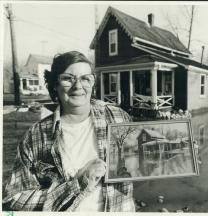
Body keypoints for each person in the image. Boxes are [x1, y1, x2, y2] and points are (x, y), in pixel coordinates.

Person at [3, 51, 135, 212]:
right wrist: (78, 183)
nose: (78, 86)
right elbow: (14, 199)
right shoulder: (36, 136)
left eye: (86, 78)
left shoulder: (118, 117)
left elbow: (142, 163)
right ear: (54, 85)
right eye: (67, 78)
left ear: (93, 83)